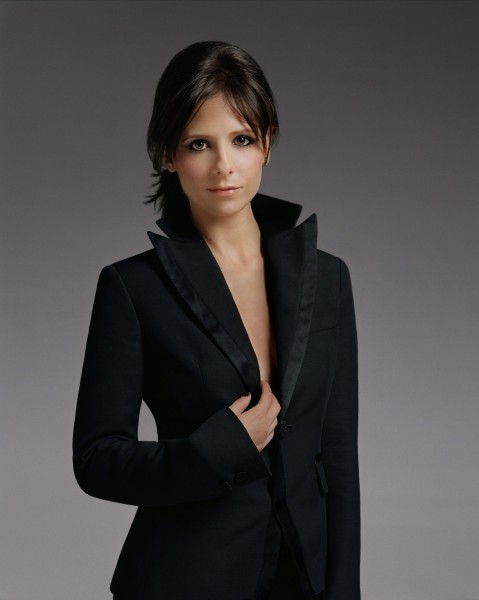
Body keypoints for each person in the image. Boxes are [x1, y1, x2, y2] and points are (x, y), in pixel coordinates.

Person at [73, 41, 360, 600]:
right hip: (186, 578)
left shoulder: (329, 278)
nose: (224, 165)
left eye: (242, 139)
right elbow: (96, 459)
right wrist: (215, 450)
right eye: (199, 144)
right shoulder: (132, 288)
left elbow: (340, 461)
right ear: (167, 154)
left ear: (268, 143)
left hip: (306, 578)